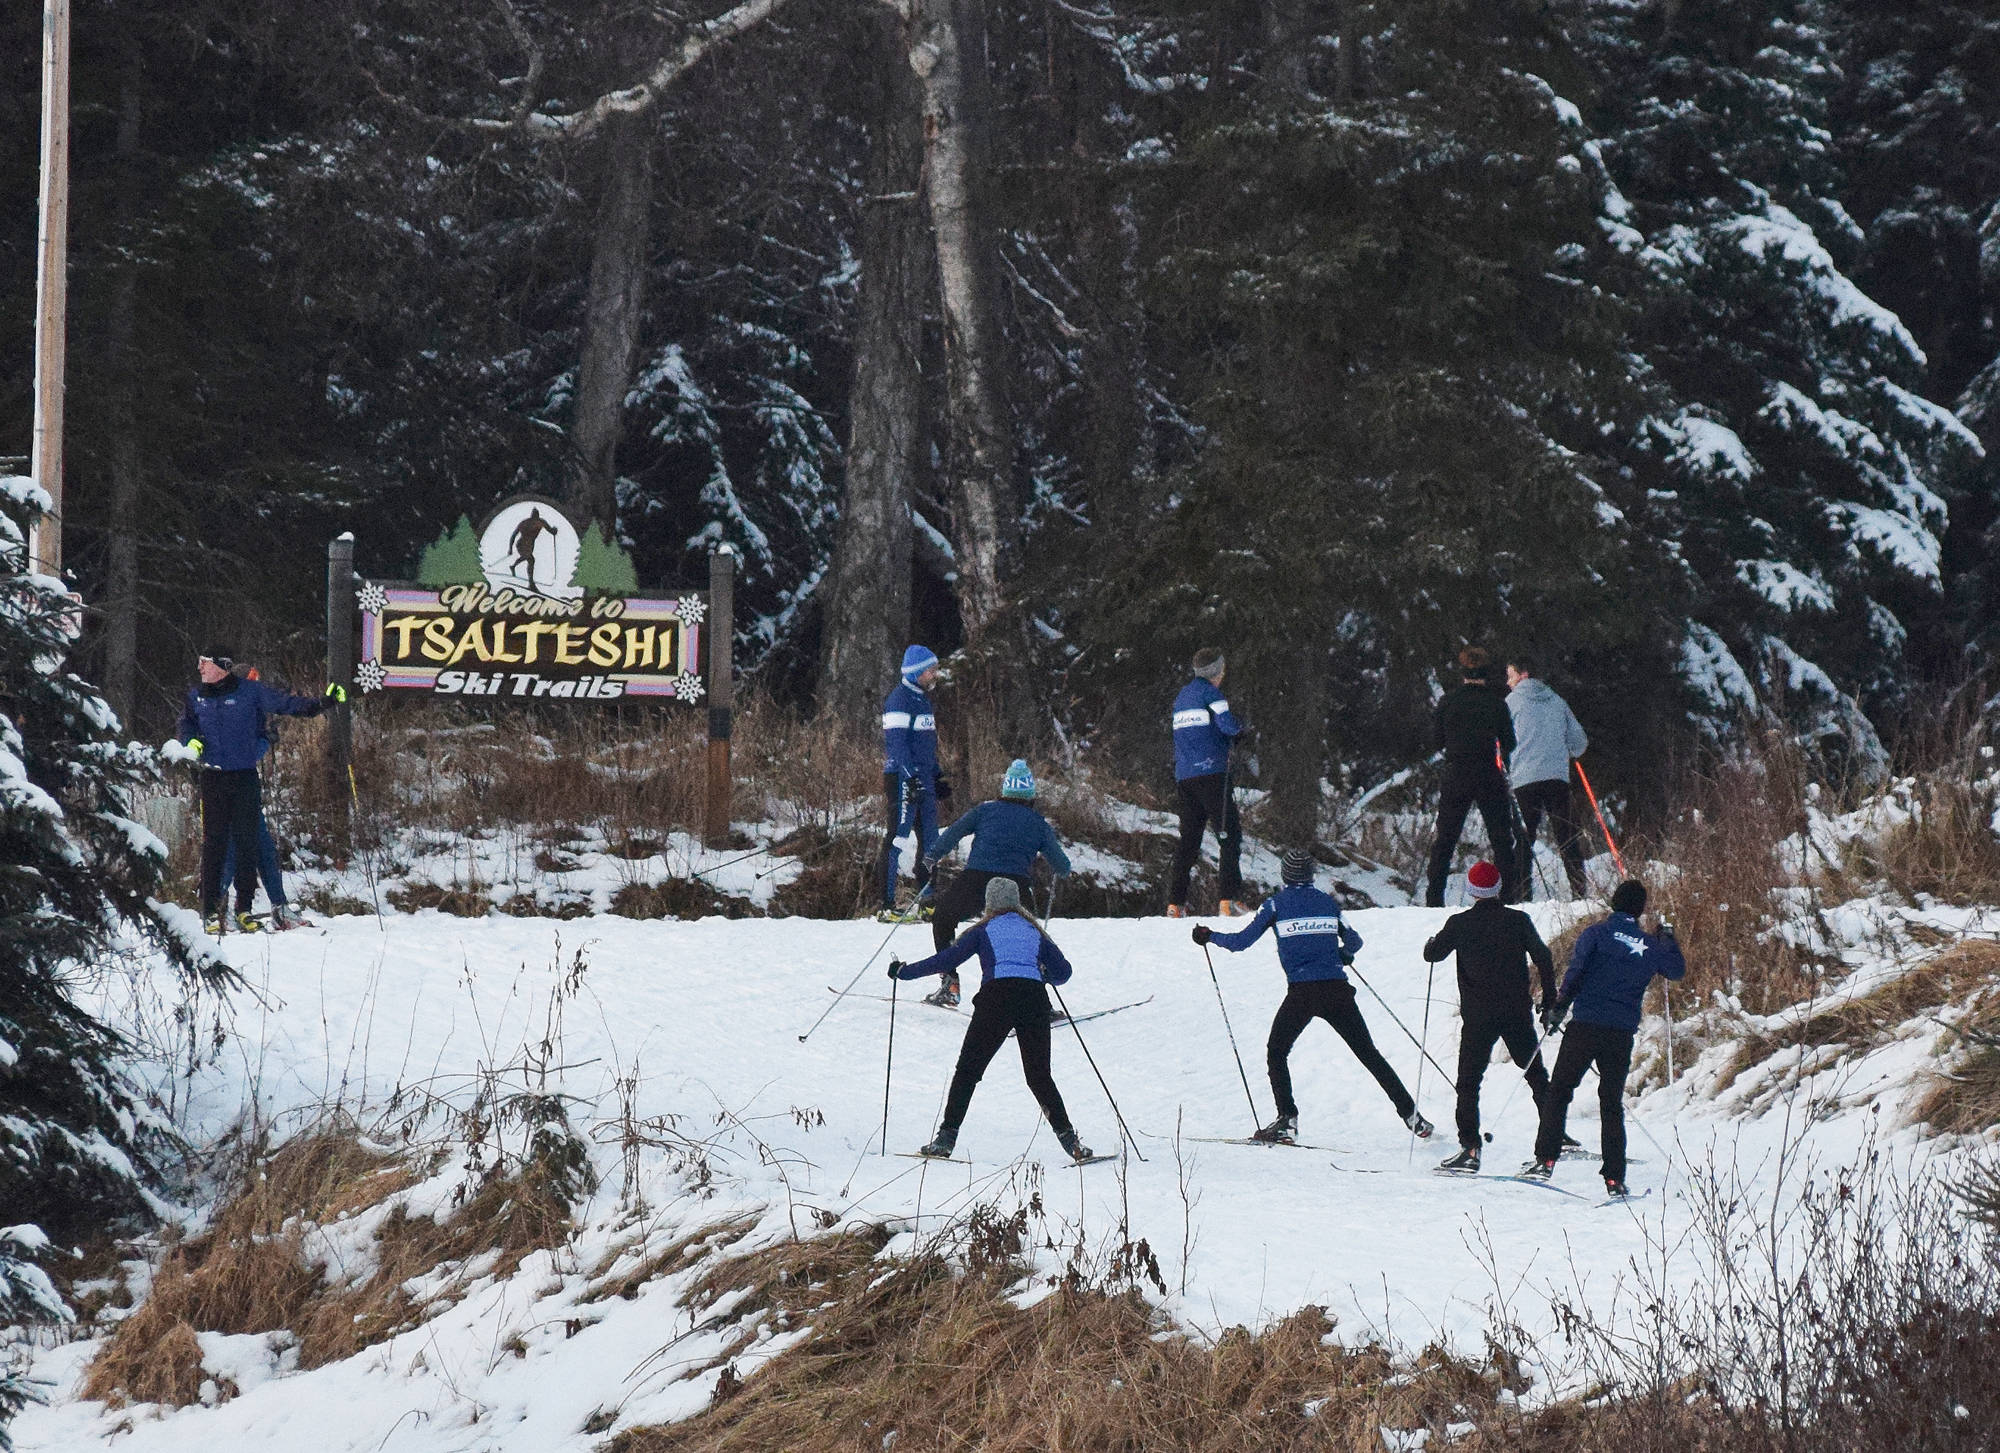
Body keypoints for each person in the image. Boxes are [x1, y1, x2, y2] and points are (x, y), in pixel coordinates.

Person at [1195, 848, 1433, 1144]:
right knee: (1368, 1053)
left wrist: (1209, 936)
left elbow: (1241, 942)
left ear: (1285, 876)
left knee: (1277, 1051)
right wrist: (1343, 955)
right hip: (1337, 990)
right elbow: (1355, 941)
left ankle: (1287, 1120)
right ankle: (1413, 1117)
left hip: (1302, 993)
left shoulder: (1275, 905)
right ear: (1310, 875)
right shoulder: (1327, 902)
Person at [890, 877, 1094, 1163]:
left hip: (995, 1000)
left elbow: (947, 960)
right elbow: (1064, 973)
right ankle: (1071, 1142)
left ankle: (945, 1140)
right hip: (1034, 1000)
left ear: (989, 904)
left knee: (968, 1072)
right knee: (1039, 1076)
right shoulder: (1034, 931)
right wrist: (1041, 973)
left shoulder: (982, 930)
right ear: (1016, 902)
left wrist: (904, 972)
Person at [1524, 880, 1685, 1197]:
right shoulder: (1649, 945)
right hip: (1620, 1033)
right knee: (1611, 1102)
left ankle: (1545, 1160)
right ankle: (1615, 1178)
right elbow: (1676, 971)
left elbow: (1576, 972)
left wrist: (1559, 1007)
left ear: (1613, 903)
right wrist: (1668, 939)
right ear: (1639, 910)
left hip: (1585, 1026)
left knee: (1559, 1092)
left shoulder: (1596, 933)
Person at [176, 650, 343, 933]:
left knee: (249, 841)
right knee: (218, 843)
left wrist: (321, 704)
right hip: (213, 776)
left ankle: (247, 908)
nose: (200, 668)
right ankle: (214, 908)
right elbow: (186, 724)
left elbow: (286, 706)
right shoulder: (197, 696)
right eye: (200, 663)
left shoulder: (250, 693)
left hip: (243, 776)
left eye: (205, 663)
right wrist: (191, 743)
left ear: (222, 667)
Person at [1421, 860, 1557, 1174]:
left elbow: (1433, 954)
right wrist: (1550, 1000)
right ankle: (1553, 1140)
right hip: (1516, 1012)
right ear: (1498, 888)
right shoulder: (1518, 920)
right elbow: (1544, 957)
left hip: (1478, 1017)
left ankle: (1469, 1149)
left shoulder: (1459, 924)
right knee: (1537, 1077)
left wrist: (1430, 942)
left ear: (1471, 891)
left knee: (1468, 1083)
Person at [920, 759, 1072, 1008]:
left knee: (944, 917)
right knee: (1028, 937)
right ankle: (1038, 1001)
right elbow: (1062, 865)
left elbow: (954, 832)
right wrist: (1062, 870)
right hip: (1016, 886)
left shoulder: (985, 811)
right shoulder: (1037, 823)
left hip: (975, 880)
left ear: (1005, 790)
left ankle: (950, 984)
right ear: (1029, 794)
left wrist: (931, 857)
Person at [1425, 647, 1518, 908]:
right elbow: (1509, 742)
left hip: (1456, 771)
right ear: (1486, 673)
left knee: (1445, 837)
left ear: (1463, 672)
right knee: (1500, 837)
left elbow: (1436, 740)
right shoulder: (1496, 703)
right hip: (1488, 772)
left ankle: (1434, 897)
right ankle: (1508, 895)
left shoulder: (1448, 702)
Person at [1168, 646, 1244, 918]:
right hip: (1212, 774)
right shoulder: (1212, 694)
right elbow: (1227, 726)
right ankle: (1228, 899)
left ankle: (1175, 903)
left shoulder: (1182, 697)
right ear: (1217, 672)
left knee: (1188, 840)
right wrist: (1241, 730)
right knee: (1229, 835)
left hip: (1185, 777)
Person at [1506, 656, 1590, 898]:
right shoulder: (1557, 701)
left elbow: (1499, 740)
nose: (1508, 682)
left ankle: (1522, 894)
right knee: (1567, 835)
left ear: (1523, 675)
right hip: (1557, 778)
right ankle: (1578, 890)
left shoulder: (1510, 703)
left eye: (1510, 675)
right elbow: (1579, 743)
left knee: (1523, 838)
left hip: (1524, 779)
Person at [879, 644, 951, 921]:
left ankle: (928, 901)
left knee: (931, 841)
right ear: (916, 672)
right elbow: (897, 747)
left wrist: (936, 775)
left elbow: (925, 746)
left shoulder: (923, 700)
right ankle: (886, 905)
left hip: (923, 779)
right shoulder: (899, 699)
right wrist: (911, 780)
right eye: (931, 671)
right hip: (902, 779)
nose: (935, 675)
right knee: (897, 838)